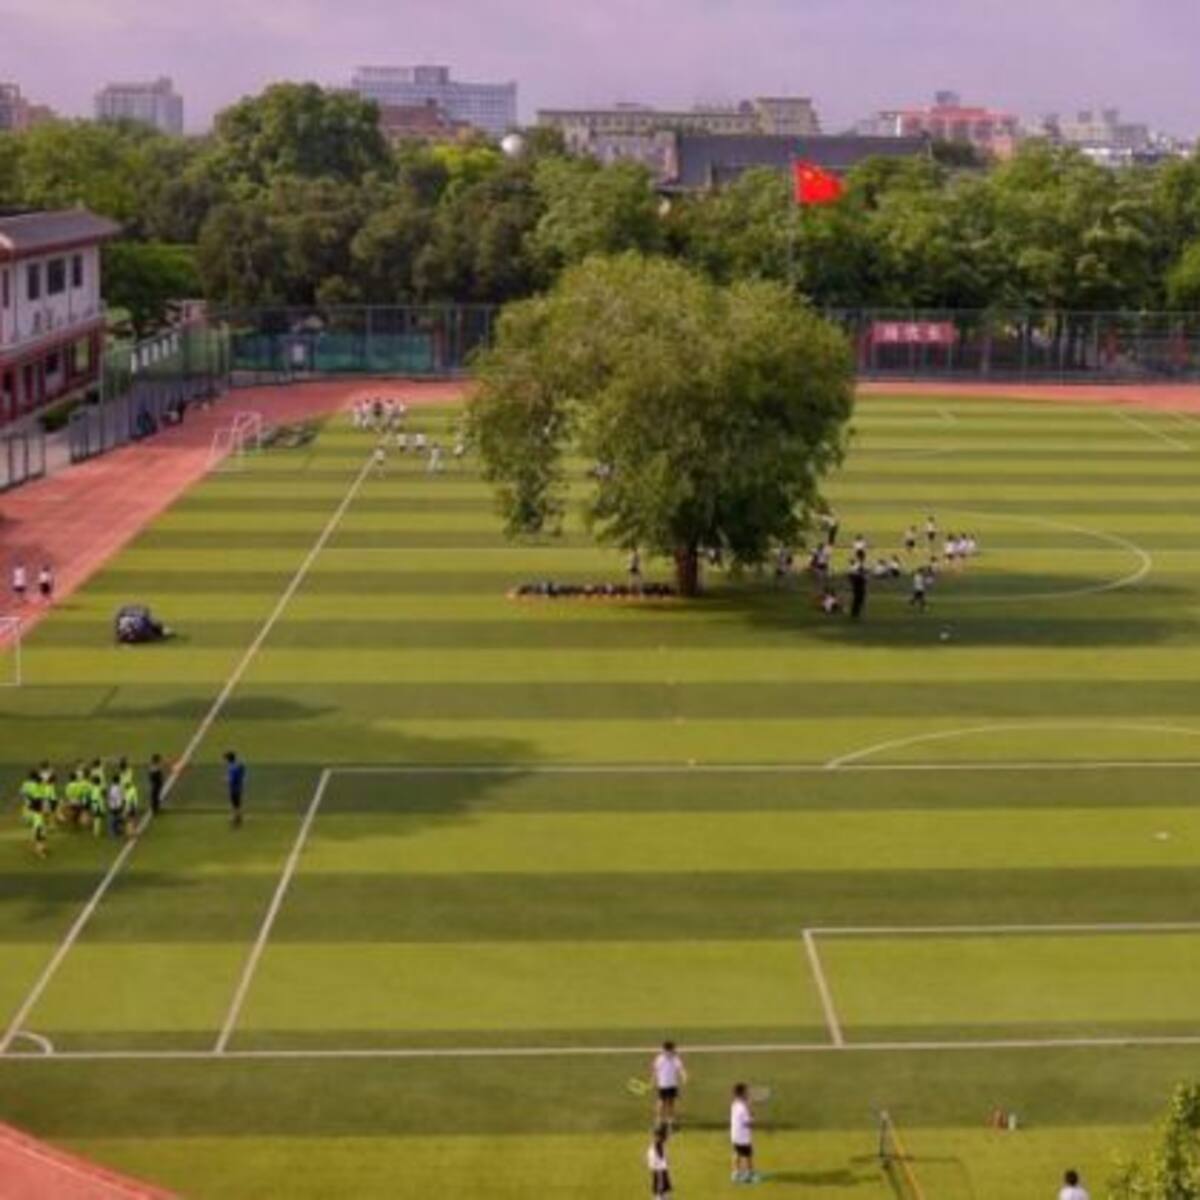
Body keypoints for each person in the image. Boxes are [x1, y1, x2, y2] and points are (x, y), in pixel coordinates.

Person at [651, 1041, 687, 1130]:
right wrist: (653, 1079)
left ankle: (670, 1122)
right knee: (661, 1103)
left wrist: (684, 1076)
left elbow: (680, 1069)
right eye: (667, 1050)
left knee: (671, 1103)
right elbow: (655, 1070)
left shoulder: (676, 1059)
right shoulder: (659, 1059)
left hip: (672, 1085)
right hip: (663, 1085)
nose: (670, 1052)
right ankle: (659, 1121)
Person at [730, 1083, 757, 1184]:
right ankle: (748, 1175)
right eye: (746, 1092)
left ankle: (735, 1174)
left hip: (734, 1136)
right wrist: (753, 1116)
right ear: (741, 1094)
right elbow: (748, 1123)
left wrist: (748, 1105)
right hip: (743, 1138)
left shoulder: (734, 1105)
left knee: (736, 1153)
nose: (748, 1093)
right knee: (747, 1155)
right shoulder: (743, 1108)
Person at [646, 1125, 672, 1198]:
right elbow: (658, 1168)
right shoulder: (657, 1149)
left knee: (664, 1195)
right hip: (660, 1174)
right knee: (661, 1195)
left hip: (661, 1173)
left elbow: (667, 1138)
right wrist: (660, 1184)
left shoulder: (658, 1145)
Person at [225, 750, 246, 827]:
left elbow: (231, 780)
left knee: (235, 804)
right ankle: (239, 817)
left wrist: (225, 779)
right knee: (238, 803)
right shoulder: (238, 766)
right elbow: (243, 771)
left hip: (234, 788)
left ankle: (236, 819)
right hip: (239, 787)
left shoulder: (231, 768)